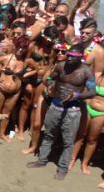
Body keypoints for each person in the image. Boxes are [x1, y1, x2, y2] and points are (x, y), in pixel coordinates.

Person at [27, 50, 95, 180]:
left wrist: (77, 95)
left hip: (72, 109)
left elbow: (92, 92)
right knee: (48, 134)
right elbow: (49, 78)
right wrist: (51, 84)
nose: (69, 59)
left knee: (68, 141)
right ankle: (42, 160)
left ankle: (63, 168)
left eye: (73, 57)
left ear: (81, 57)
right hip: (56, 104)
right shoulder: (60, 65)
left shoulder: (87, 71)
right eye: (69, 56)